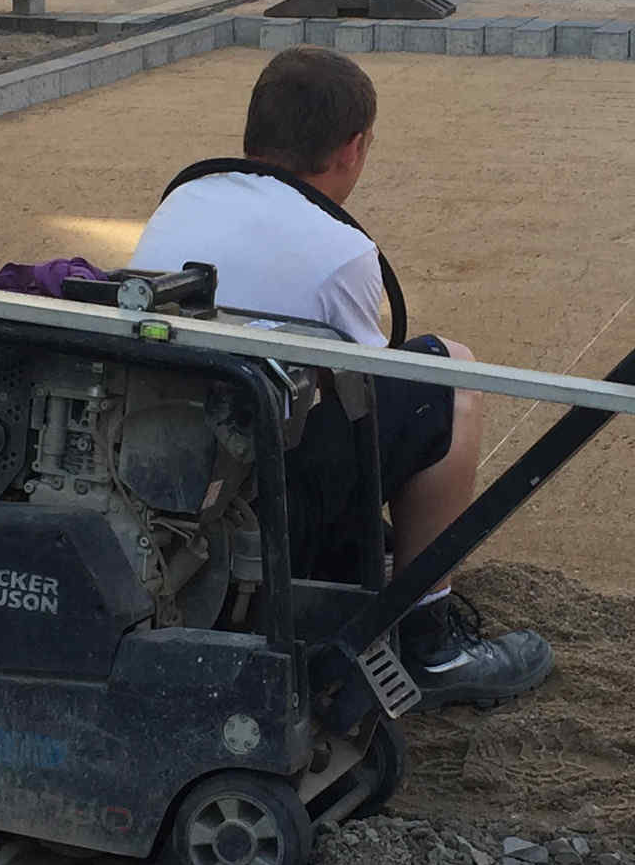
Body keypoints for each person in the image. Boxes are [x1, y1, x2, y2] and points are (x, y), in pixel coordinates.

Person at [126, 48, 554, 709]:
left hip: (161, 480)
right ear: (353, 148)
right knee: (450, 376)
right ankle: (430, 642)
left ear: (255, 129)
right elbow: (363, 403)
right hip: (262, 499)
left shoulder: (181, 201)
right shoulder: (343, 250)